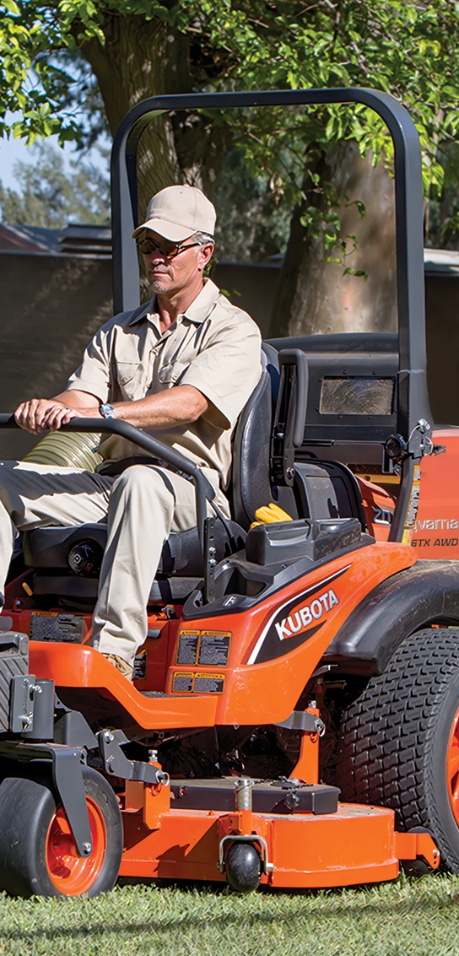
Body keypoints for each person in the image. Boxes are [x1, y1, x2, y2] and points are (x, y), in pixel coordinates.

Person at [0, 185, 263, 678]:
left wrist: (110, 411)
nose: (156, 257)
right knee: (3, 479)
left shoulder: (234, 330)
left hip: (190, 488)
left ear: (204, 253)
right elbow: (81, 398)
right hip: (111, 482)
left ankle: (112, 654)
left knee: (140, 483)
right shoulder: (119, 330)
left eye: (170, 247)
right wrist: (49, 408)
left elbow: (192, 402)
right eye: (148, 246)